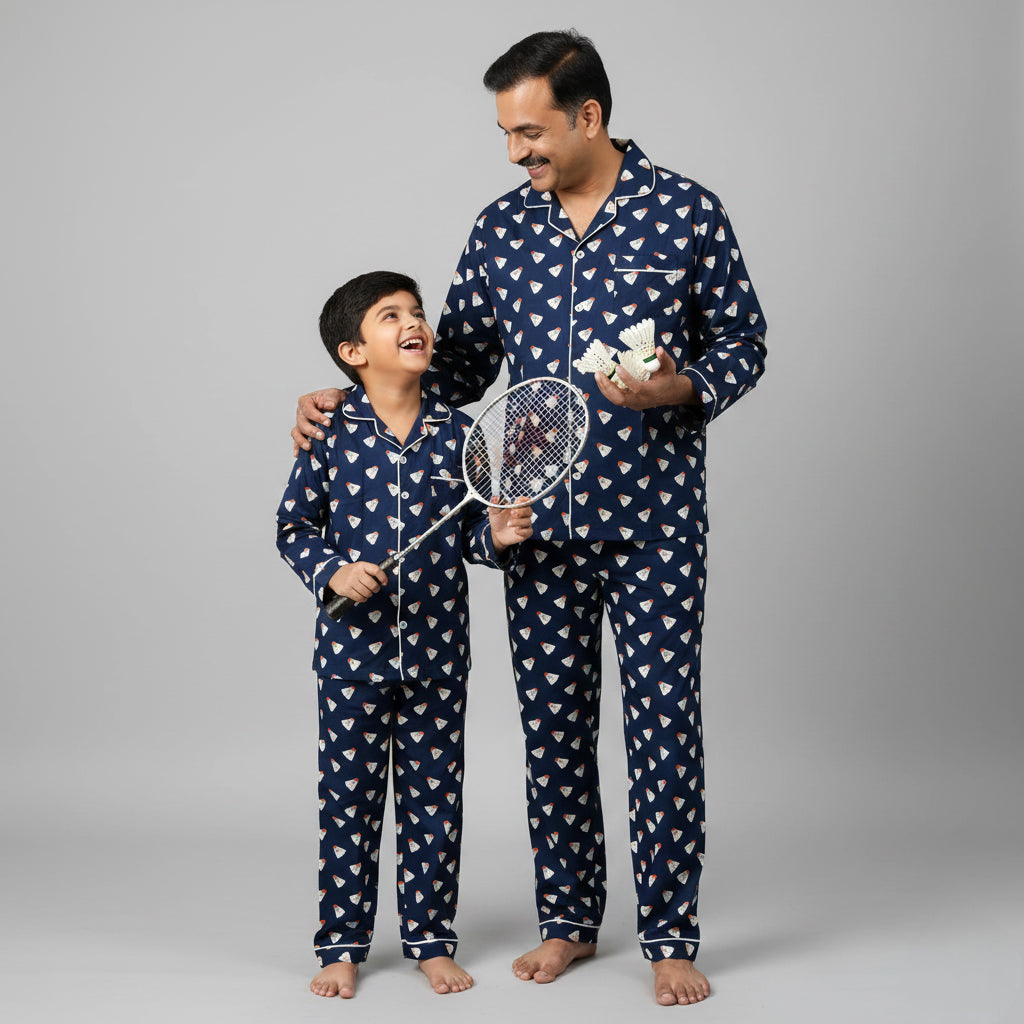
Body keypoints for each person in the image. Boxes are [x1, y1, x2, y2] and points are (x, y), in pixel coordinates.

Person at [291, 31, 766, 1007]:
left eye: (530, 132)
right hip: (533, 529)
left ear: (588, 115)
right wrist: (345, 393)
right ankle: (569, 924)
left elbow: (744, 342)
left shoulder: (685, 213)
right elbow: (452, 372)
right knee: (553, 731)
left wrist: (680, 384)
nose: (516, 152)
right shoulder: (501, 228)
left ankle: (670, 936)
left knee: (664, 729)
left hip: (655, 525)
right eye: (506, 134)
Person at [277, 270, 534, 998]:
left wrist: (498, 535)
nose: (413, 323)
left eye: (416, 313)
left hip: (437, 655)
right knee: (348, 799)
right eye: (390, 316)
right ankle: (342, 946)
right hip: (351, 661)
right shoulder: (330, 431)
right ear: (353, 351)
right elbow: (292, 528)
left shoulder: (458, 432)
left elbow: (466, 540)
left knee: (434, 800)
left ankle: (429, 940)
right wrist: (333, 572)